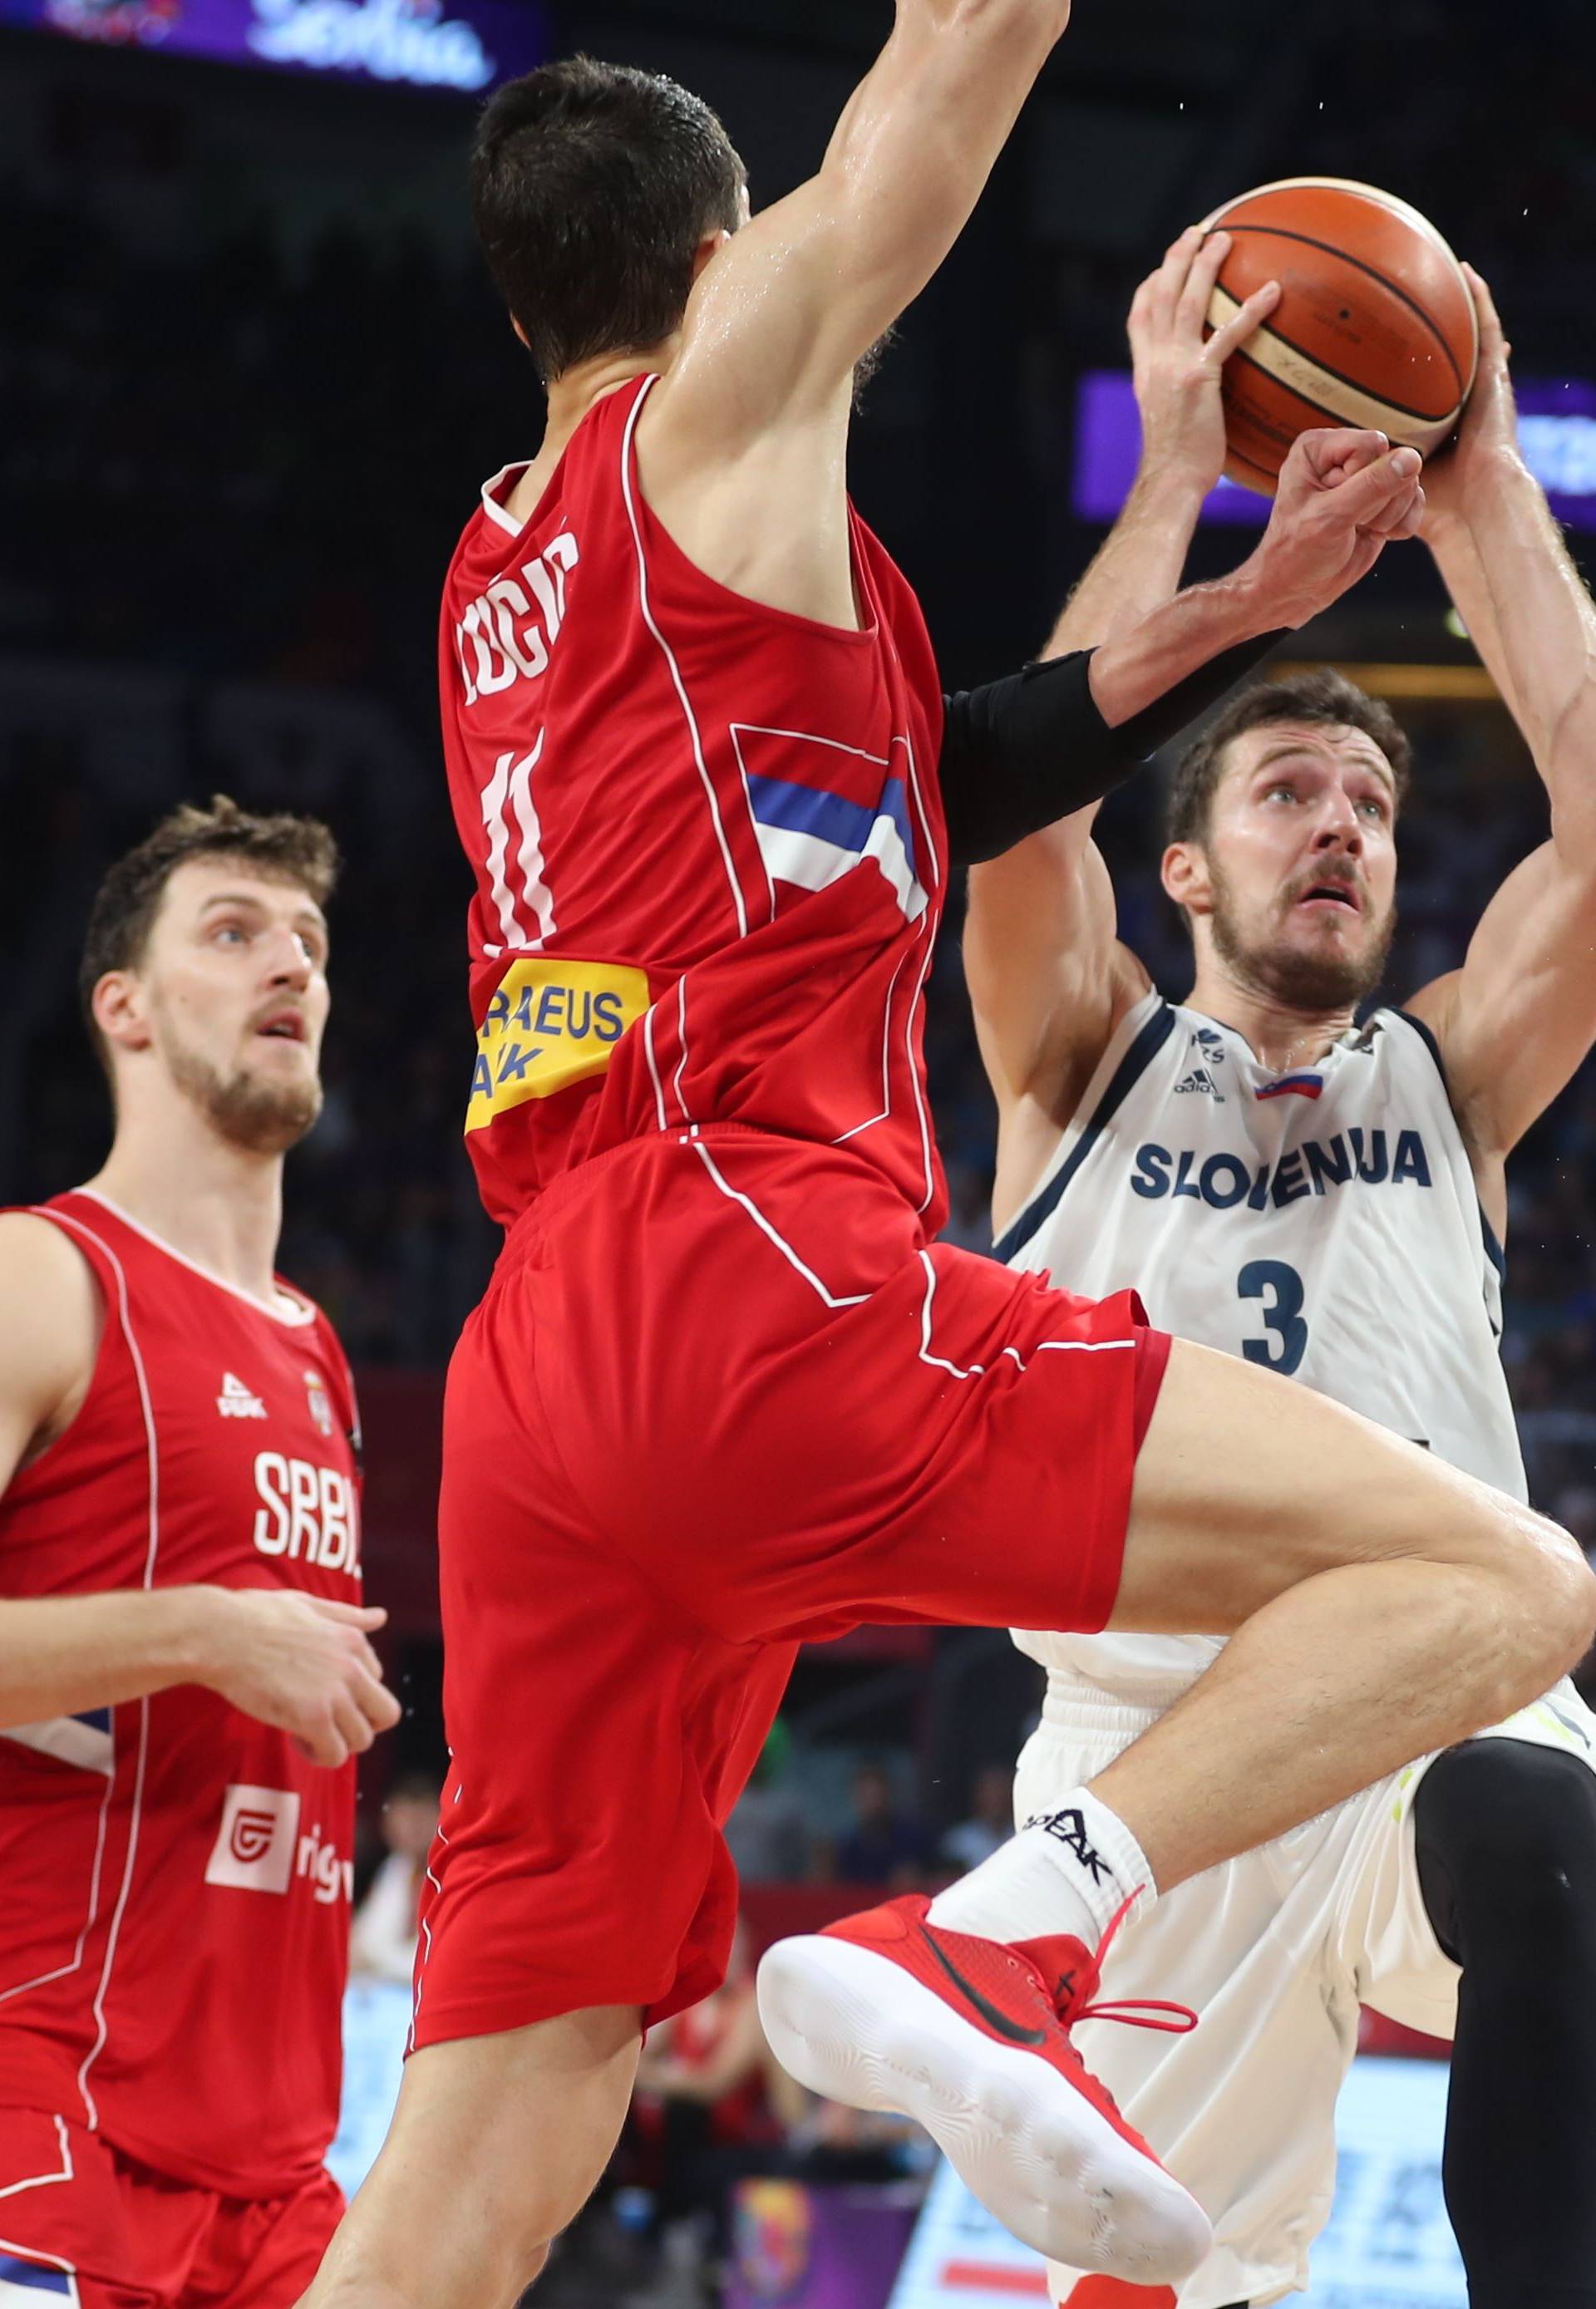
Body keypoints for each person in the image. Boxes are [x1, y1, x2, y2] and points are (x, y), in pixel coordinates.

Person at [298, 22, 1594, 2307]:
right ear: (721, 261)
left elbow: (959, 767)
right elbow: (957, 50)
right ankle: (1008, 1940)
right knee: (1515, 1586)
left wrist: (1244, 590)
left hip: (553, 1373)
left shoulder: (525, 579)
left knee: (503, 2118)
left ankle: (1014, 1946)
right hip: (760, 1277)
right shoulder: (724, 406)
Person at [960, 242, 1596, 2307]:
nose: (1339, 824)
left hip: (1438, 1695)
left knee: (1542, 1833)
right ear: (1183, 862)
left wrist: (1487, 493)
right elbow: (1011, 809)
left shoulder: (1457, 1066)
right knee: (1166, 2275)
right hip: (1165, 1761)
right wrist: (1170, 481)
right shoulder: (1075, 1051)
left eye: (1371, 800)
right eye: (1283, 788)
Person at [0, 798, 401, 2306]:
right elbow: (220, 1640)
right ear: (127, 1008)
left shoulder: (317, 1348)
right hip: (45, 2111)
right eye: (231, 935)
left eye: (306, 940)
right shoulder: (41, 1273)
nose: (286, 966)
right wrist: (209, 1628)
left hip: (276, 2166)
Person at [350, 1775, 442, 1985]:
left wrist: (374, 1961)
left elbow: (431, 1962)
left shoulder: (449, 1874)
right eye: (406, 1818)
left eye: (421, 1819)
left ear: (440, 1819)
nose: (413, 1829)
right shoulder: (395, 1869)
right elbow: (363, 1943)